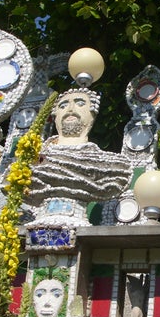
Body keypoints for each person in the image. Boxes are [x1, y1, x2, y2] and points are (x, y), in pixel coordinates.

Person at [27, 89, 131, 224]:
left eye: (80, 103)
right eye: (63, 106)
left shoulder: (112, 165)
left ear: (93, 112)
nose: (70, 109)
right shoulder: (28, 164)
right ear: (55, 114)